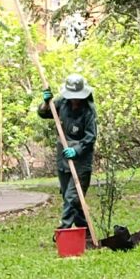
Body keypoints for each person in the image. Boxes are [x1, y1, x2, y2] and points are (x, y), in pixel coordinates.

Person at [38, 73, 97, 231]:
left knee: (72, 197)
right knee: (70, 198)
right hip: (63, 158)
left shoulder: (89, 111)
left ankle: (63, 230)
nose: (75, 100)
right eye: (72, 97)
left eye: (78, 97)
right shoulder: (62, 103)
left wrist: (76, 150)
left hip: (81, 161)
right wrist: (46, 102)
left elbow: (91, 137)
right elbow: (44, 113)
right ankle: (85, 231)